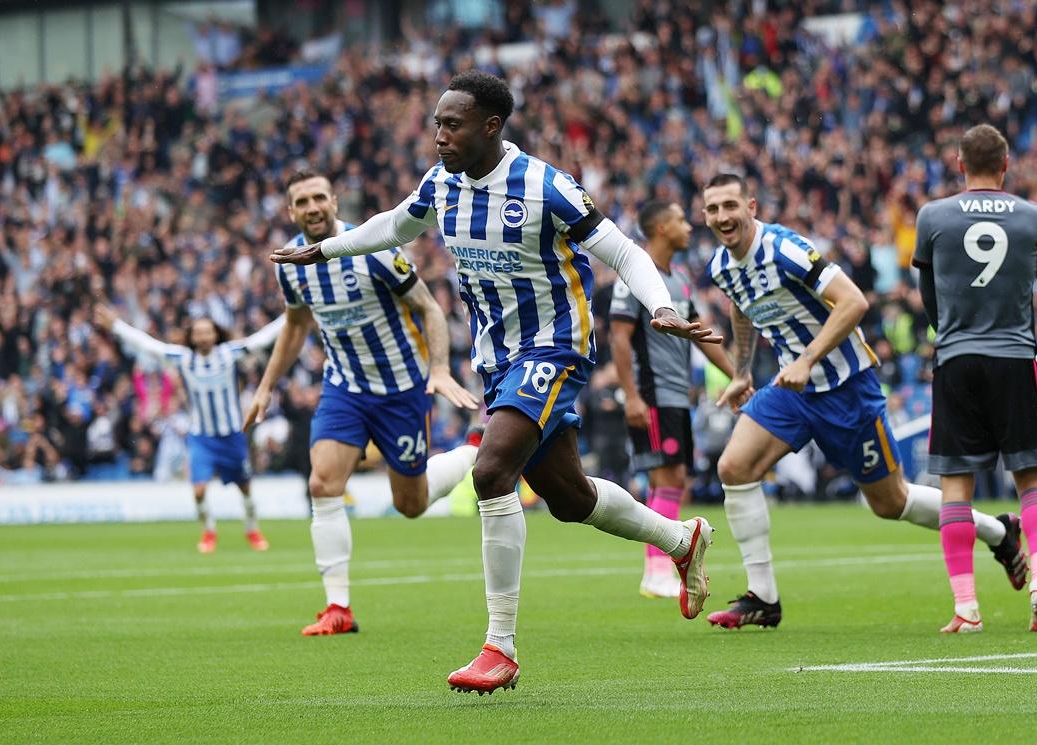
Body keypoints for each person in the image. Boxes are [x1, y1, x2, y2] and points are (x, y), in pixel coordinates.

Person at [270, 71, 721, 694]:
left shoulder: (544, 186)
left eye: (451, 124)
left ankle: (499, 647)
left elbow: (625, 253)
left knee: (489, 472)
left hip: (554, 346)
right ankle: (681, 537)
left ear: (490, 125)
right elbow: (392, 225)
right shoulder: (443, 184)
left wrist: (661, 305)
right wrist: (324, 252)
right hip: (497, 358)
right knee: (569, 497)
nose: (439, 135)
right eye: (436, 123)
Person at [700, 173, 1026, 631]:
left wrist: (809, 358)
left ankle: (998, 531)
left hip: (847, 388)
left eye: (730, 206)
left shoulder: (786, 250)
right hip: (792, 391)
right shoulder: (721, 266)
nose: (722, 217)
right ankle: (763, 599)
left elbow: (853, 301)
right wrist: (741, 371)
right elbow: (741, 304)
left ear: (751, 206)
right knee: (733, 468)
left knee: (890, 503)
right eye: (713, 209)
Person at [244, 169, 481, 637]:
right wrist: (267, 384)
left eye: (318, 198)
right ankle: (338, 608)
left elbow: (428, 308)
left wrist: (437, 369)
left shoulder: (371, 248)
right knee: (322, 483)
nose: (311, 208)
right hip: (344, 388)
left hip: (400, 390)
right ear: (291, 211)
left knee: (410, 504)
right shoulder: (291, 261)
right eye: (301, 202)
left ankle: (475, 450)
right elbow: (295, 325)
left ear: (334, 201)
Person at [913, 123, 1037, 633]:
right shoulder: (1035, 217)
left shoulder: (932, 215)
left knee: (956, 487)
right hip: (1014, 356)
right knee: (1031, 479)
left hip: (956, 358)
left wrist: (949, 329)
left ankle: (967, 608)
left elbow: (928, 292)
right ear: (1005, 165)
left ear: (959, 164)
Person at [609, 200, 734, 598]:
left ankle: (658, 567)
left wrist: (739, 376)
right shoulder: (632, 279)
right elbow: (619, 337)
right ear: (661, 228)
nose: (688, 226)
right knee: (665, 476)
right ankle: (657, 569)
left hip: (677, 395)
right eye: (680, 220)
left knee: (674, 478)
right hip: (653, 392)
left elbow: (701, 335)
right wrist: (631, 396)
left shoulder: (677, 281)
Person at [94, 305, 282, 553]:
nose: (203, 337)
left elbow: (261, 339)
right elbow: (148, 345)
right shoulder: (183, 358)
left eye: (208, 332)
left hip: (231, 436)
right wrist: (117, 326)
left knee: (245, 487)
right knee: (199, 490)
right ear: (192, 337)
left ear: (215, 334)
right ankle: (209, 531)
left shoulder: (229, 353)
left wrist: (291, 312)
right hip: (201, 437)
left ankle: (252, 529)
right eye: (198, 333)